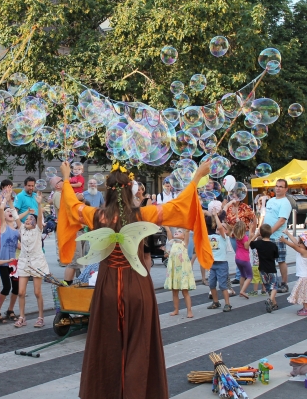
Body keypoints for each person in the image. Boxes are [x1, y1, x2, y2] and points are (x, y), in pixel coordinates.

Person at [57, 159, 213, 399]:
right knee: (140, 346)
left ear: (106, 192)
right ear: (131, 191)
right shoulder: (144, 214)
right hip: (137, 286)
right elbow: (179, 206)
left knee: (107, 345)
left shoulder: (96, 216)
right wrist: (197, 176)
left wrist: (67, 178)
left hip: (108, 287)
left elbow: (71, 205)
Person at [10, 190, 49, 328]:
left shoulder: (38, 230)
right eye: (26, 219)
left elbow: (39, 219)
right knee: (21, 292)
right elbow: (15, 215)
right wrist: (9, 201)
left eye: (30, 219)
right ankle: (22, 317)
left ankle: (40, 317)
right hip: (24, 263)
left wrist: (39, 205)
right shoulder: (22, 230)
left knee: (37, 292)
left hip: (37, 262)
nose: (27, 221)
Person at [0, 187, 28, 323]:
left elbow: (19, 245)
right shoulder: (4, 226)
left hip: (13, 263)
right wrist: (5, 201)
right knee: (6, 286)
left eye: (10, 211)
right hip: (3, 261)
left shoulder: (16, 230)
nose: (8, 212)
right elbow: (1, 209)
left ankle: (10, 310)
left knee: (16, 288)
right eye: (7, 212)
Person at [263, 179, 292, 293]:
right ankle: (271, 283)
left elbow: (281, 221)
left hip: (278, 237)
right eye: (277, 186)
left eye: (281, 186)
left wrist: (269, 232)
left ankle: (284, 283)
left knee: (281, 261)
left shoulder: (285, 202)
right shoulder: (270, 201)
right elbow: (266, 216)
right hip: (267, 236)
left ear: (286, 189)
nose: (278, 188)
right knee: (269, 261)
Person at [246, 224, 279, 313]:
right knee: (274, 286)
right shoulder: (273, 246)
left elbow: (249, 244)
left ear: (261, 233)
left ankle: (274, 304)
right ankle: (270, 300)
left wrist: (256, 235)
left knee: (268, 287)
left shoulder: (258, 243)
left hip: (262, 269)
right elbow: (276, 256)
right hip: (271, 269)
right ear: (270, 233)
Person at [163, 227, 196, 318]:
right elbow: (169, 231)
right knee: (174, 292)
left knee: (185, 292)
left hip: (182, 272)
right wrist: (166, 226)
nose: (177, 232)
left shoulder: (184, 243)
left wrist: (186, 227)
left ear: (183, 236)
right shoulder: (172, 243)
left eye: (180, 232)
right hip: (174, 271)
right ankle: (176, 309)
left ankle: (189, 311)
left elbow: (187, 230)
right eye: (176, 231)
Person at [206, 208, 232, 312]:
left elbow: (220, 227)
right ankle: (216, 302)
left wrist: (216, 215)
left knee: (222, 285)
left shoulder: (224, 238)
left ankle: (227, 303)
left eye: (224, 227)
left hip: (221, 264)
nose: (220, 227)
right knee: (211, 284)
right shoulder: (211, 236)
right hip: (212, 264)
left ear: (226, 231)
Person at [223, 198, 255, 284]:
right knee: (238, 253)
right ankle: (241, 274)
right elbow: (224, 218)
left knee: (243, 252)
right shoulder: (229, 207)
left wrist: (252, 231)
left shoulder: (245, 207)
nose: (234, 198)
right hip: (233, 234)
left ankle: (240, 275)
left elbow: (254, 218)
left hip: (244, 233)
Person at [281, 230, 307, 315]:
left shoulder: (304, 252)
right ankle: (305, 307)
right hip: (304, 276)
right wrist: (288, 233)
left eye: (300, 242)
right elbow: (295, 243)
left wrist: (285, 241)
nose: (298, 243)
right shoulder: (303, 249)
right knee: (303, 293)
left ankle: (306, 309)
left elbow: (294, 246)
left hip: (304, 278)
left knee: (304, 294)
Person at [233, 220, 253, 299]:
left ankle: (241, 291)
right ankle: (243, 291)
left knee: (242, 274)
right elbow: (247, 247)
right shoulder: (244, 237)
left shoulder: (236, 236)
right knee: (250, 276)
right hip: (244, 259)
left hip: (237, 258)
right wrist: (250, 236)